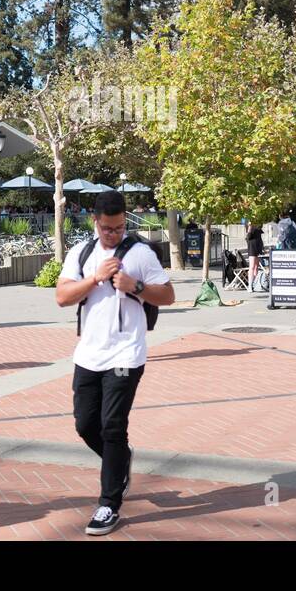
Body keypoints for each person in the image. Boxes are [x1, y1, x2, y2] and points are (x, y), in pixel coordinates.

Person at [55, 190, 174, 536]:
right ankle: (120, 458)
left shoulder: (141, 253)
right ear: (95, 222)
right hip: (89, 354)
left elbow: (167, 295)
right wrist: (94, 279)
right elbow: (62, 297)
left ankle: (108, 504)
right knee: (84, 424)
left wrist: (134, 285)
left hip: (126, 353)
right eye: (108, 228)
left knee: (112, 425)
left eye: (120, 227)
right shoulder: (82, 253)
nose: (114, 234)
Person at [246, 223, 265, 291]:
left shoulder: (258, 227)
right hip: (252, 248)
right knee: (252, 266)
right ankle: (250, 285)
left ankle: (254, 283)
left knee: (256, 267)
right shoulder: (250, 226)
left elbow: (260, 238)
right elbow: (248, 238)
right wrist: (249, 228)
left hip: (258, 248)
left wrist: (262, 247)